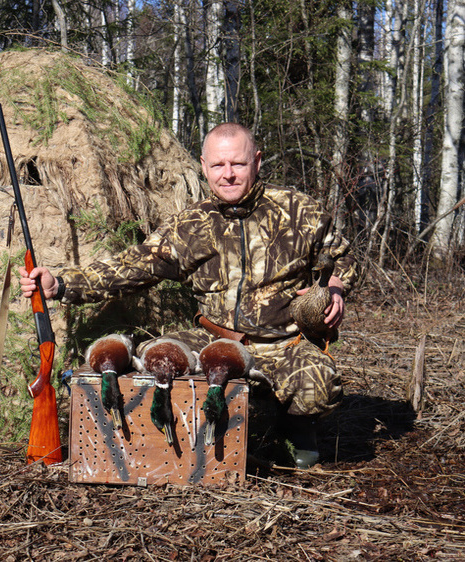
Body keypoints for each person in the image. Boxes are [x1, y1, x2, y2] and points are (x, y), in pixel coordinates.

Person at [19, 123, 357, 468]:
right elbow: (135, 266)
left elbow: (343, 256)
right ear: (203, 165)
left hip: (282, 343)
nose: (228, 175)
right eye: (218, 165)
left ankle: (296, 431)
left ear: (256, 161)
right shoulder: (191, 224)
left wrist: (336, 286)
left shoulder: (299, 211)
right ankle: (177, 447)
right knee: (158, 360)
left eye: (238, 164)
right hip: (213, 338)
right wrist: (62, 284)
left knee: (319, 385)